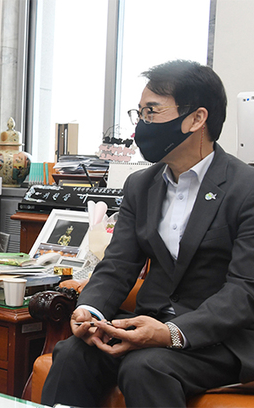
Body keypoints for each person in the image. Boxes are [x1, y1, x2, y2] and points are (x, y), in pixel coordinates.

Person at [41, 60, 254, 407]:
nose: (141, 125)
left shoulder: (246, 189)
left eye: (151, 112)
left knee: (146, 367)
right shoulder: (141, 185)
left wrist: (171, 333)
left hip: (221, 339)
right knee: (73, 353)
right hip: (147, 324)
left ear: (197, 119)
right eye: (138, 113)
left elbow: (245, 291)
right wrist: (91, 310)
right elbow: (118, 265)